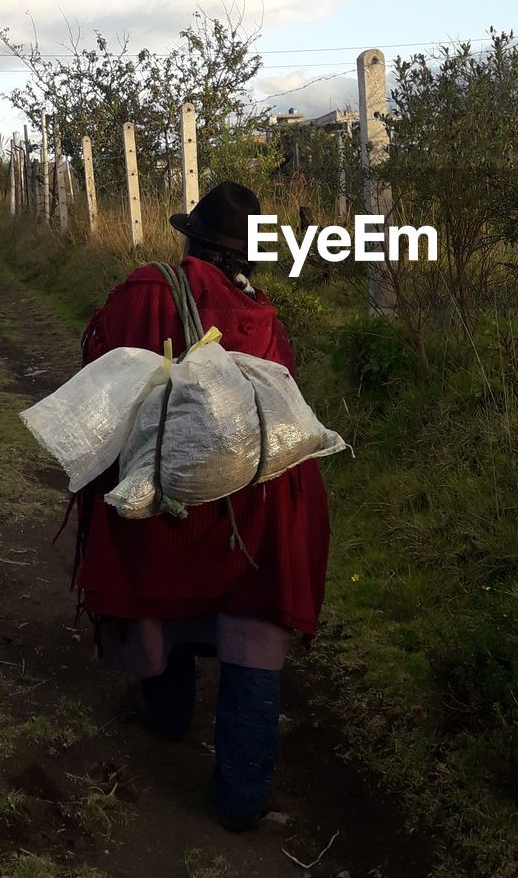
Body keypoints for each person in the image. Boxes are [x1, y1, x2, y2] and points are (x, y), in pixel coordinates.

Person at [73, 181, 331, 830]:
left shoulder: (146, 290)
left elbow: (103, 366)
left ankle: (166, 716)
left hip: (171, 495)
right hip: (257, 507)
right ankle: (241, 798)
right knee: (249, 622)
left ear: (192, 240)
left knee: (162, 579)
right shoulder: (261, 314)